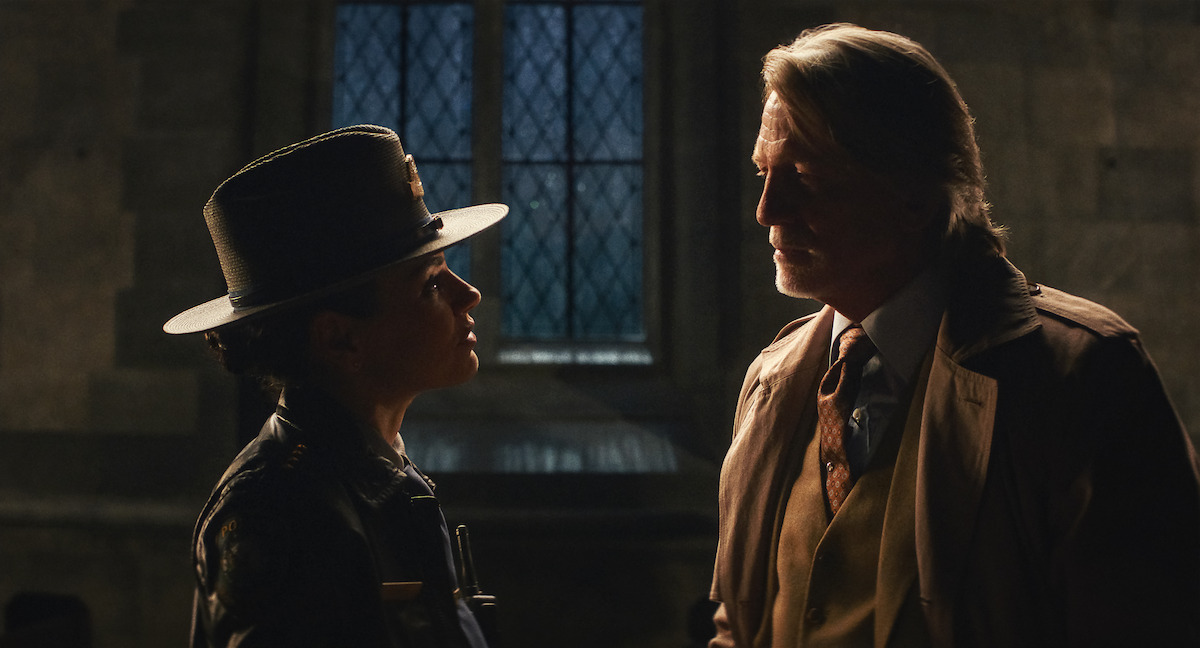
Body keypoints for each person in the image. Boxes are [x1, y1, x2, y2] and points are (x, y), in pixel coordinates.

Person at [709, 23, 1200, 648]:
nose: (767, 210)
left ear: (912, 193)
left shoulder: (1082, 375)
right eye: (763, 173)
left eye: (803, 177)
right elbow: (743, 622)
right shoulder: (773, 379)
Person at [164, 124, 508, 647]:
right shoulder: (279, 512)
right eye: (430, 283)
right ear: (341, 339)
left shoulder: (371, 469)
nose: (469, 294)